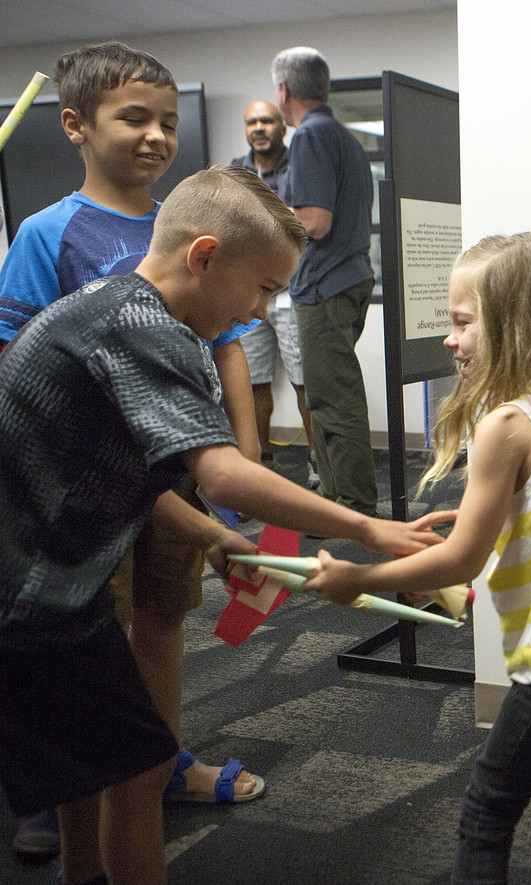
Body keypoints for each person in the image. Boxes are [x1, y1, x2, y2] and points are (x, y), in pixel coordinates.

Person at [0, 164, 443, 885]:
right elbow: (226, 472)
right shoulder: (146, 327)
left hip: (40, 585)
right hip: (37, 598)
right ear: (203, 255)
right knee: (142, 769)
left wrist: (213, 535)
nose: (261, 310)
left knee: (84, 776)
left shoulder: (105, 306)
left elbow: (129, 478)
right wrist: (368, 528)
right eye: (262, 286)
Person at [303, 231, 531, 885]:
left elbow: (460, 562)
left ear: (514, 327)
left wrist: (360, 578)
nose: (451, 338)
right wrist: (477, 527)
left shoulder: (504, 426)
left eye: (462, 321)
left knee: (485, 814)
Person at [0, 42, 265, 860]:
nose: (156, 136)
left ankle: (158, 766)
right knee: (94, 632)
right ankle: (78, 778)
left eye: (169, 121)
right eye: (134, 118)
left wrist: (244, 470)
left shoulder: (192, 224)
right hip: (91, 491)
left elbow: (228, 347)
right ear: (76, 125)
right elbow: (25, 360)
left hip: (179, 475)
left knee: (164, 618)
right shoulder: (48, 233)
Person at [270, 46, 378, 517]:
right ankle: (337, 500)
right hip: (346, 280)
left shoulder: (310, 137)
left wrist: (266, 220)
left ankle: (350, 504)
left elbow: (313, 221)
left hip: (324, 285)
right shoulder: (343, 138)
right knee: (327, 396)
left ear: (283, 91)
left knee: (333, 400)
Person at [230, 98, 318, 488]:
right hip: (247, 291)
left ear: (282, 126)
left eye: (267, 120)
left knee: (305, 381)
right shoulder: (236, 171)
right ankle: (261, 461)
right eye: (252, 122)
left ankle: (319, 463)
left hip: (292, 289)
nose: (259, 128)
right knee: (253, 380)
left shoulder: (300, 165)